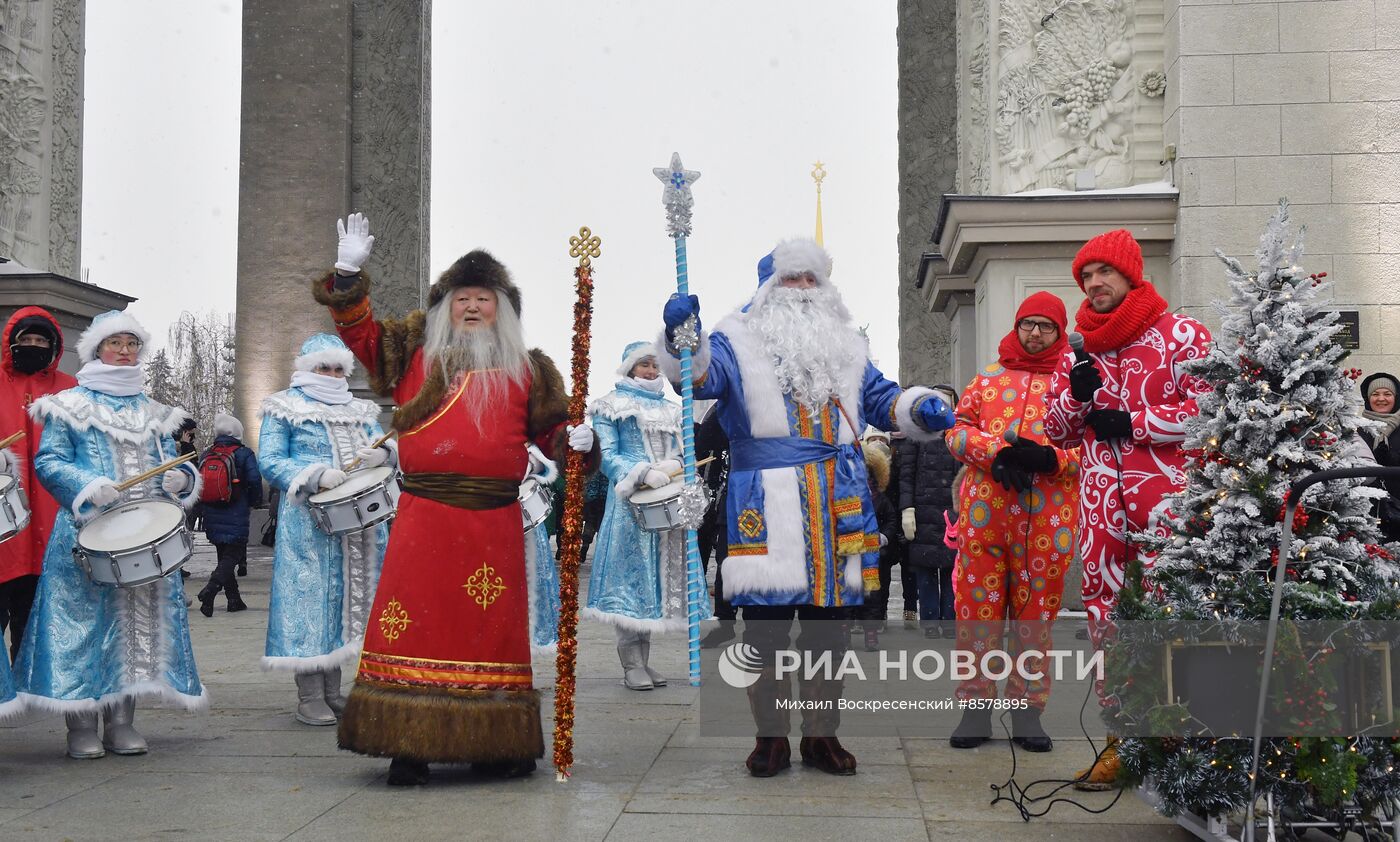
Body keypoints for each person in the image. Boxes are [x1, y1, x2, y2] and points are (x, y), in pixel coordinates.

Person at [311, 213, 596, 785]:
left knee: (490, 637)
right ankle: (406, 745)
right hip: (425, 518)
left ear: (502, 309)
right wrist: (347, 273)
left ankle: (495, 744)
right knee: (413, 626)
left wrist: (576, 440)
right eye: (462, 298)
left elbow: (554, 437)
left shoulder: (529, 370)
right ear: (445, 306)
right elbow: (358, 333)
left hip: (494, 523)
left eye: (483, 300)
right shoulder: (412, 352)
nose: (471, 308)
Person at [657, 237, 955, 776]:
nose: (802, 290)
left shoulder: (846, 345)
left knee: (830, 630)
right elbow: (696, 378)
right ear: (769, 288)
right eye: (791, 279)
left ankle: (821, 737)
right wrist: (686, 337)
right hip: (766, 503)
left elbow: (880, 396)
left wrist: (919, 407)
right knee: (765, 629)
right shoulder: (735, 340)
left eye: (810, 280)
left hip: (836, 503)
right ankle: (770, 738)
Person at [1045, 230, 1212, 786]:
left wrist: (1136, 424)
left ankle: (1186, 740)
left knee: (1175, 611)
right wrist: (1077, 393)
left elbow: (1210, 411)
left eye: (1104, 274)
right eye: (1086, 277)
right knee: (1105, 618)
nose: (1093, 284)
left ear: (1131, 274)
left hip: (1172, 504)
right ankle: (1123, 741)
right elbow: (1056, 429)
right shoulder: (1078, 349)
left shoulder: (1181, 334)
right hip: (1100, 506)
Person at [15, 310, 204, 758]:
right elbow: (49, 462)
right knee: (82, 625)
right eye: (115, 343)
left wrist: (184, 479)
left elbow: (168, 462)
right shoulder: (68, 404)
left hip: (141, 536)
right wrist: (85, 485)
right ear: (97, 348)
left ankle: (122, 721)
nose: (124, 351)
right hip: (85, 534)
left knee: (134, 626)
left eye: (131, 343)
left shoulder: (155, 411)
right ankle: (79, 726)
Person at [945, 293, 1081, 753]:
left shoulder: (1076, 387)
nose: (1036, 333)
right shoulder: (986, 381)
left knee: (1035, 620)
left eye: (1046, 325)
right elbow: (957, 431)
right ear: (1016, 327)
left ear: (1059, 331)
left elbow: (1095, 451)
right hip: (985, 520)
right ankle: (975, 709)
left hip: (1049, 523)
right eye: (1028, 324)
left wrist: (1052, 458)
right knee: (976, 616)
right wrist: (995, 453)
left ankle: (1028, 712)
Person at [257, 333, 392, 726]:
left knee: (348, 603)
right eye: (323, 367)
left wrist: (383, 454)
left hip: (360, 526)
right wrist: (314, 475)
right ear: (307, 368)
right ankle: (310, 694)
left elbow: (379, 450)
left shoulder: (360, 409)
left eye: (337, 368)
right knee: (311, 602)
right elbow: (270, 460)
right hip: (308, 524)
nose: (331, 374)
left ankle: (334, 691)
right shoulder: (284, 407)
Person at [584, 342, 687, 690]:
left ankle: (645, 659)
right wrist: (641, 472)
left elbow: (683, 450)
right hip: (629, 507)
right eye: (644, 365)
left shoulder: (673, 409)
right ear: (629, 368)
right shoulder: (610, 406)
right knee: (630, 582)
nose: (651, 371)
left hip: (665, 504)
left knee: (653, 586)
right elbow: (607, 455)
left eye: (655, 366)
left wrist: (674, 465)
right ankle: (631, 664)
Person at [0, 307, 76, 662]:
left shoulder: (69, 388)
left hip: (50, 508)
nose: (33, 345)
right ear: (11, 343)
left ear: (53, 345)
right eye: (25, 340)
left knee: (37, 606)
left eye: (40, 340)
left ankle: (28, 675)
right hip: (5, 512)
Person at [896, 391, 961, 640]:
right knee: (925, 570)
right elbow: (906, 476)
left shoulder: (957, 433)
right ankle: (930, 622)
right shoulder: (917, 435)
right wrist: (906, 509)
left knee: (949, 569)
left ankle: (949, 620)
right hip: (922, 512)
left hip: (951, 512)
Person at [194, 413, 263, 617]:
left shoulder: (207, 453)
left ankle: (234, 599)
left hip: (212, 511)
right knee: (233, 555)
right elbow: (254, 480)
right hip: (236, 509)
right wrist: (254, 502)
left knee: (223, 556)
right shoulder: (244, 453)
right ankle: (211, 590)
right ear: (237, 433)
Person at [855, 439, 902, 651]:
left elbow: (891, 520)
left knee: (873, 592)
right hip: (849, 550)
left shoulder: (880, 499)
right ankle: (847, 629)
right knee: (850, 589)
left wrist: (884, 537)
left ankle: (871, 632)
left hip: (874, 551)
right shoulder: (847, 494)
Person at [696, 403, 736, 648]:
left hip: (765, 494)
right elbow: (702, 444)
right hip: (725, 496)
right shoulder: (722, 410)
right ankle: (724, 620)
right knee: (726, 560)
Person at [1360, 372, 1400, 540]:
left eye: (1387, 394)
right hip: (1366, 510)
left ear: (1396, 397)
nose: (1381, 398)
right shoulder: (1359, 429)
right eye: (1375, 394)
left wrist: (1391, 459)